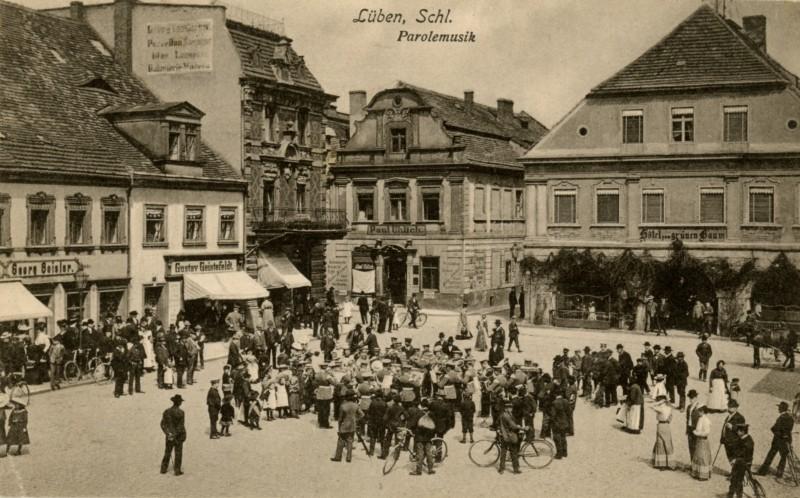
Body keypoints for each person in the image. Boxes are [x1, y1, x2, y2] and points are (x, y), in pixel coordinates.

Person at [756, 401, 795, 478]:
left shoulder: (781, 418)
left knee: (771, 455)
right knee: (783, 457)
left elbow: (774, 428)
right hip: (786, 441)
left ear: (781, 409)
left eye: (779, 408)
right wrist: (785, 435)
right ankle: (779, 473)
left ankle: (762, 471)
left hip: (778, 441)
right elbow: (789, 429)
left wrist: (777, 433)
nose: (778, 409)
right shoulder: (790, 418)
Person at [331, 391, 363, 463]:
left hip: (344, 425)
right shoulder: (356, 405)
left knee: (340, 441)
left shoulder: (343, 406)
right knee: (350, 441)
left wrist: (339, 428)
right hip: (352, 425)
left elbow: (340, 419)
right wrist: (356, 419)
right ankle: (349, 458)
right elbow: (362, 414)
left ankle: (338, 457)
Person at [160, 394, 186, 476]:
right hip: (178, 436)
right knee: (178, 453)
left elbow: (162, 424)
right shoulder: (181, 413)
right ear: (180, 403)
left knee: (167, 452)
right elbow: (181, 426)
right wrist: (177, 435)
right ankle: (177, 470)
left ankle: (163, 469)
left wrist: (168, 433)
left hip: (169, 436)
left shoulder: (166, 411)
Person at [728, 424, 754, 498]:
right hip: (739, 462)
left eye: (738, 431)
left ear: (742, 432)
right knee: (733, 479)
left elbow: (745, 456)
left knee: (737, 480)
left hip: (743, 463)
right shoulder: (743, 438)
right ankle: (731, 494)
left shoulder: (748, 442)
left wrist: (735, 460)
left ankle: (737, 495)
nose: (737, 432)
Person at [651, 395, 675, 470]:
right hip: (667, 426)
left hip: (661, 425)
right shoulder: (669, 408)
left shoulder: (660, 408)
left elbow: (651, 406)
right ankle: (670, 463)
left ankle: (662, 464)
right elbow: (671, 417)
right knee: (668, 443)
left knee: (660, 443)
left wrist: (659, 402)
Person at [498, 400, 523, 474]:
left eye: (511, 407)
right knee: (513, 452)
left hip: (504, 436)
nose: (511, 408)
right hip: (509, 436)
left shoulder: (505, 414)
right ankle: (515, 469)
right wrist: (522, 428)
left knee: (504, 452)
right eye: (509, 407)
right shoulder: (506, 415)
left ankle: (501, 469)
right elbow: (513, 425)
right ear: (505, 408)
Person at [721, 399, 746, 469]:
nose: (729, 408)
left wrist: (732, 427)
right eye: (728, 406)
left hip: (734, 442)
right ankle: (733, 472)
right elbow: (724, 428)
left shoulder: (740, 417)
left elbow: (742, 430)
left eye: (731, 407)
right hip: (727, 441)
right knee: (730, 458)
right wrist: (722, 438)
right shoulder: (729, 416)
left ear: (735, 408)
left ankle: (735, 474)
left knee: (735, 458)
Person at [691, 405, 712, 480]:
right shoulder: (700, 418)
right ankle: (698, 473)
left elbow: (706, 432)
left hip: (703, 440)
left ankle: (704, 475)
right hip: (699, 440)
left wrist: (696, 433)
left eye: (699, 411)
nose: (698, 412)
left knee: (703, 457)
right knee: (698, 456)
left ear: (703, 411)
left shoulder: (706, 420)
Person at [551, 388, 571, 459]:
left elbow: (553, 415)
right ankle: (565, 452)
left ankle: (559, 454)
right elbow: (569, 413)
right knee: (563, 437)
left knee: (557, 438)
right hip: (565, 422)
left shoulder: (554, 403)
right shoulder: (566, 401)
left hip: (557, 423)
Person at [685, 390, 701, 460]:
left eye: (692, 398)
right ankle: (692, 463)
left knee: (697, 447)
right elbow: (687, 419)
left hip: (696, 429)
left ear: (696, 398)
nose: (691, 400)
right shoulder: (688, 407)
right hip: (690, 429)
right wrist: (687, 429)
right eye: (690, 398)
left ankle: (696, 464)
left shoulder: (699, 407)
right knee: (690, 447)